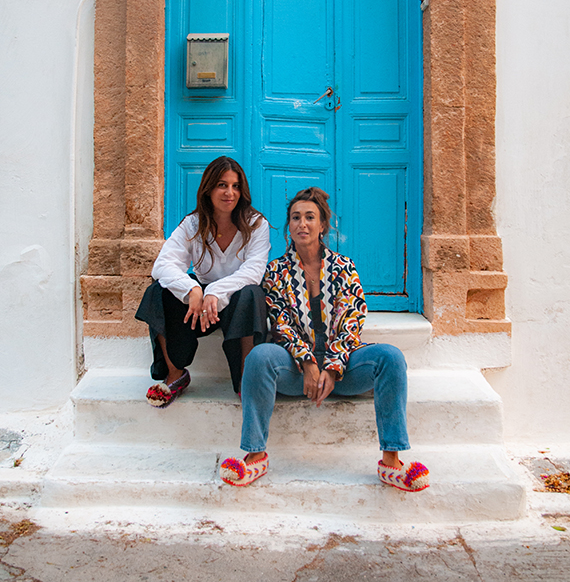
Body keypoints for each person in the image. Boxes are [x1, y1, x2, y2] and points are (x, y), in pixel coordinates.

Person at [220, 187, 429, 492]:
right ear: (288, 226)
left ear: (322, 226)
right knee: (259, 357)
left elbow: (352, 321)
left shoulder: (344, 268)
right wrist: (307, 363)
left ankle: (391, 461)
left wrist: (332, 367)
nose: (301, 224)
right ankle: (255, 455)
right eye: (295, 218)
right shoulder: (275, 272)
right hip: (295, 371)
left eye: (309, 217)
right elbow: (282, 324)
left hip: (344, 371)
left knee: (391, 357)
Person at [136, 156, 270, 406]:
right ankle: (175, 373)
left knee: (252, 293)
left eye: (236, 186)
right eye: (222, 185)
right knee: (157, 292)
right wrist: (193, 289)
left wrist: (215, 292)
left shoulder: (256, 224)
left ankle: (245, 378)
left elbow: (253, 271)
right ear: (208, 189)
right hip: (199, 308)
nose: (230, 193)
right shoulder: (192, 224)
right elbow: (162, 265)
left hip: (236, 302)